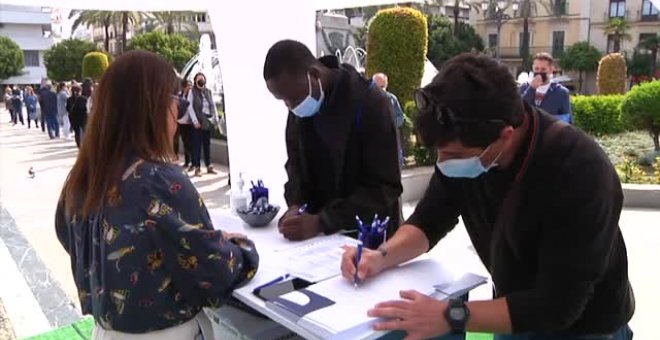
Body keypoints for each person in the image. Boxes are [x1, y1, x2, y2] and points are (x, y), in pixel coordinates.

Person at [340, 53, 634, 340]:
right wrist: (379, 257)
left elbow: (558, 305)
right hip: (511, 305)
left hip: (585, 325)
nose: (443, 162)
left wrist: (449, 316)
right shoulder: (468, 144)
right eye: (439, 152)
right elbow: (431, 218)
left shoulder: (579, 171)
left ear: (505, 136)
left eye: (453, 154)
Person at [55, 51, 259, 339]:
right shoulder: (159, 181)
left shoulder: (82, 177)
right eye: (176, 102)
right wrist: (241, 249)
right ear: (152, 107)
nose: (178, 114)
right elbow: (214, 272)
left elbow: (73, 240)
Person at [263, 40, 402, 241]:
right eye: (282, 100)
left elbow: (385, 187)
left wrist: (323, 221)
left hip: (369, 236)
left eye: (292, 98)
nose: (290, 106)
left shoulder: (371, 103)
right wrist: (296, 205)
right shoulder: (300, 103)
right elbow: (295, 164)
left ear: (314, 74)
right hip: (316, 240)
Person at [519, 53, 572, 123]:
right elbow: (519, 110)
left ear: (550, 70)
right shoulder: (524, 88)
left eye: (543, 69)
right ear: (532, 68)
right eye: (536, 69)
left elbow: (567, 120)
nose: (539, 72)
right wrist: (531, 89)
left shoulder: (561, 92)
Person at [186, 72, 219, 177]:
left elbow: (212, 106)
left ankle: (209, 165)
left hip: (207, 121)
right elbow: (189, 106)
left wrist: (215, 118)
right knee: (197, 145)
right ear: (195, 81)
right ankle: (197, 167)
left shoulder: (208, 91)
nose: (201, 80)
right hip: (198, 120)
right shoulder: (192, 92)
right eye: (199, 79)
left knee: (207, 144)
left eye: (203, 78)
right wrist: (195, 121)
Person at [373, 72, 405, 167]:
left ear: (386, 85)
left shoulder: (392, 99)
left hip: (391, 138)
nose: (380, 89)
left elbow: (400, 117)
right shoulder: (367, 100)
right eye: (376, 86)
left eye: (382, 86)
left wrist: (391, 124)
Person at [176, 79, 195, 171]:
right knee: (185, 142)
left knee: (191, 143)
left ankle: (192, 163)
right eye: (188, 85)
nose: (190, 87)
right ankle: (187, 162)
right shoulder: (179, 96)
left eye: (191, 85)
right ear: (183, 87)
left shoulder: (192, 96)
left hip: (190, 123)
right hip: (181, 123)